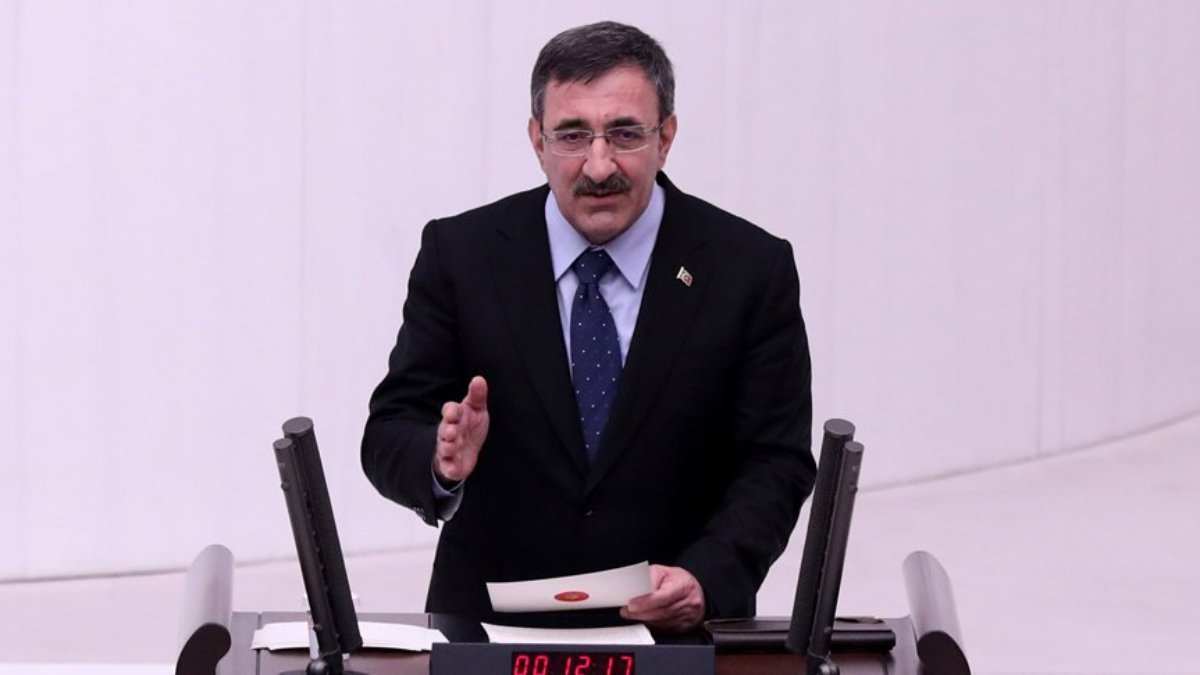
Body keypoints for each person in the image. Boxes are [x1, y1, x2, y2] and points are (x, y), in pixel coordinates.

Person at [362, 20, 815, 632]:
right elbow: (389, 432)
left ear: (666, 137)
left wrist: (706, 576)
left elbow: (776, 460)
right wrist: (441, 463)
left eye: (625, 134)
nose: (599, 167)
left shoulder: (748, 268)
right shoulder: (462, 255)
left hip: (673, 630)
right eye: (573, 136)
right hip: (488, 628)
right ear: (537, 139)